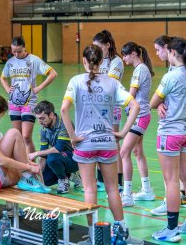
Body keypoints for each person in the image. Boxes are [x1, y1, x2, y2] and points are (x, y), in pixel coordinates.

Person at [61, 45, 143, 245]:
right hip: (107, 143)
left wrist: (73, 136)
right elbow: (136, 106)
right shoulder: (112, 83)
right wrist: (123, 133)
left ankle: (93, 237)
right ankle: (123, 232)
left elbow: (64, 109)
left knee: (90, 190)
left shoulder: (75, 81)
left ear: (84, 61)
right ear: (101, 62)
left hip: (85, 144)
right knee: (113, 189)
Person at [150, 37, 186, 242]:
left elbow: (154, 101)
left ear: (172, 52)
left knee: (171, 180)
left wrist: (160, 102)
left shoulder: (170, 77)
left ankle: (172, 229)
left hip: (170, 132)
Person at [0, 36, 57, 154]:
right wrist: (7, 90)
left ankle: (31, 164)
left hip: (29, 102)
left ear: (25, 48)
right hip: (13, 104)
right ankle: (22, 166)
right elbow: (2, 78)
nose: (16, 54)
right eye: (13, 51)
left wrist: (39, 88)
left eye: (19, 51)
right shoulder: (10, 62)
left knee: (26, 137)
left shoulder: (34, 60)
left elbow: (53, 74)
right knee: (18, 137)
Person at [151, 35, 186, 216]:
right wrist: (160, 103)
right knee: (183, 175)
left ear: (169, 49)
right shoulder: (182, 70)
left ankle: (171, 216)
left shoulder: (175, 72)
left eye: (158, 50)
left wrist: (156, 102)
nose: (157, 54)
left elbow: (155, 98)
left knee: (172, 177)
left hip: (174, 127)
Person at [119, 42, 155, 207]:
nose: (124, 59)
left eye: (125, 55)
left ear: (134, 53)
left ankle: (127, 195)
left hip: (139, 116)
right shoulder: (140, 69)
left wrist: (116, 95)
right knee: (137, 152)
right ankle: (147, 190)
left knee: (124, 152)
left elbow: (130, 95)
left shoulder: (140, 70)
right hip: (139, 116)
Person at [93, 30, 124, 192]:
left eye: (99, 47)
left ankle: (118, 182)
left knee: (113, 144)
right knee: (98, 140)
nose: (96, 50)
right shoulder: (97, 60)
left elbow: (110, 83)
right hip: (97, 107)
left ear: (107, 45)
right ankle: (100, 180)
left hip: (111, 108)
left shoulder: (116, 61)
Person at [29, 100, 80, 194]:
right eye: (38, 119)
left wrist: (36, 153)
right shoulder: (43, 130)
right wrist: (38, 172)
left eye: (42, 118)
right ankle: (70, 175)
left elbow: (58, 149)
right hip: (59, 158)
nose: (40, 122)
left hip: (75, 159)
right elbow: (43, 154)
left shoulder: (64, 124)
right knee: (45, 181)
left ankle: (64, 179)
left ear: (51, 115)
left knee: (52, 157)